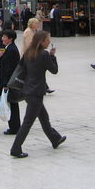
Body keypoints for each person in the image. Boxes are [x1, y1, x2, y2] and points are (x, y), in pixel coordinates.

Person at [10, 30, 65, 158]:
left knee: (44, 118)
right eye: (47, 39)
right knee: (27, 123)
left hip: (28, 90)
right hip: (36, 92)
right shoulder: (44, 54)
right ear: (41, 41)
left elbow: (22, 67)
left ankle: (55, 138)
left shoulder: (28, 52)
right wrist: (53, 56)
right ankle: (15, 148)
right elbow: (54, 70)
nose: (49, 42)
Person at [0, 28, 21, 135]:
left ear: (10, 39)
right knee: (12, 104)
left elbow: (10, 69)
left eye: (4, 37)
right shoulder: (8, 48)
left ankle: (14, 127)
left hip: (10, 83)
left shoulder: (12, 50)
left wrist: (6, 84)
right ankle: (14, 126)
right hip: (8, 81)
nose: (2, 39)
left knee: (12, 104)